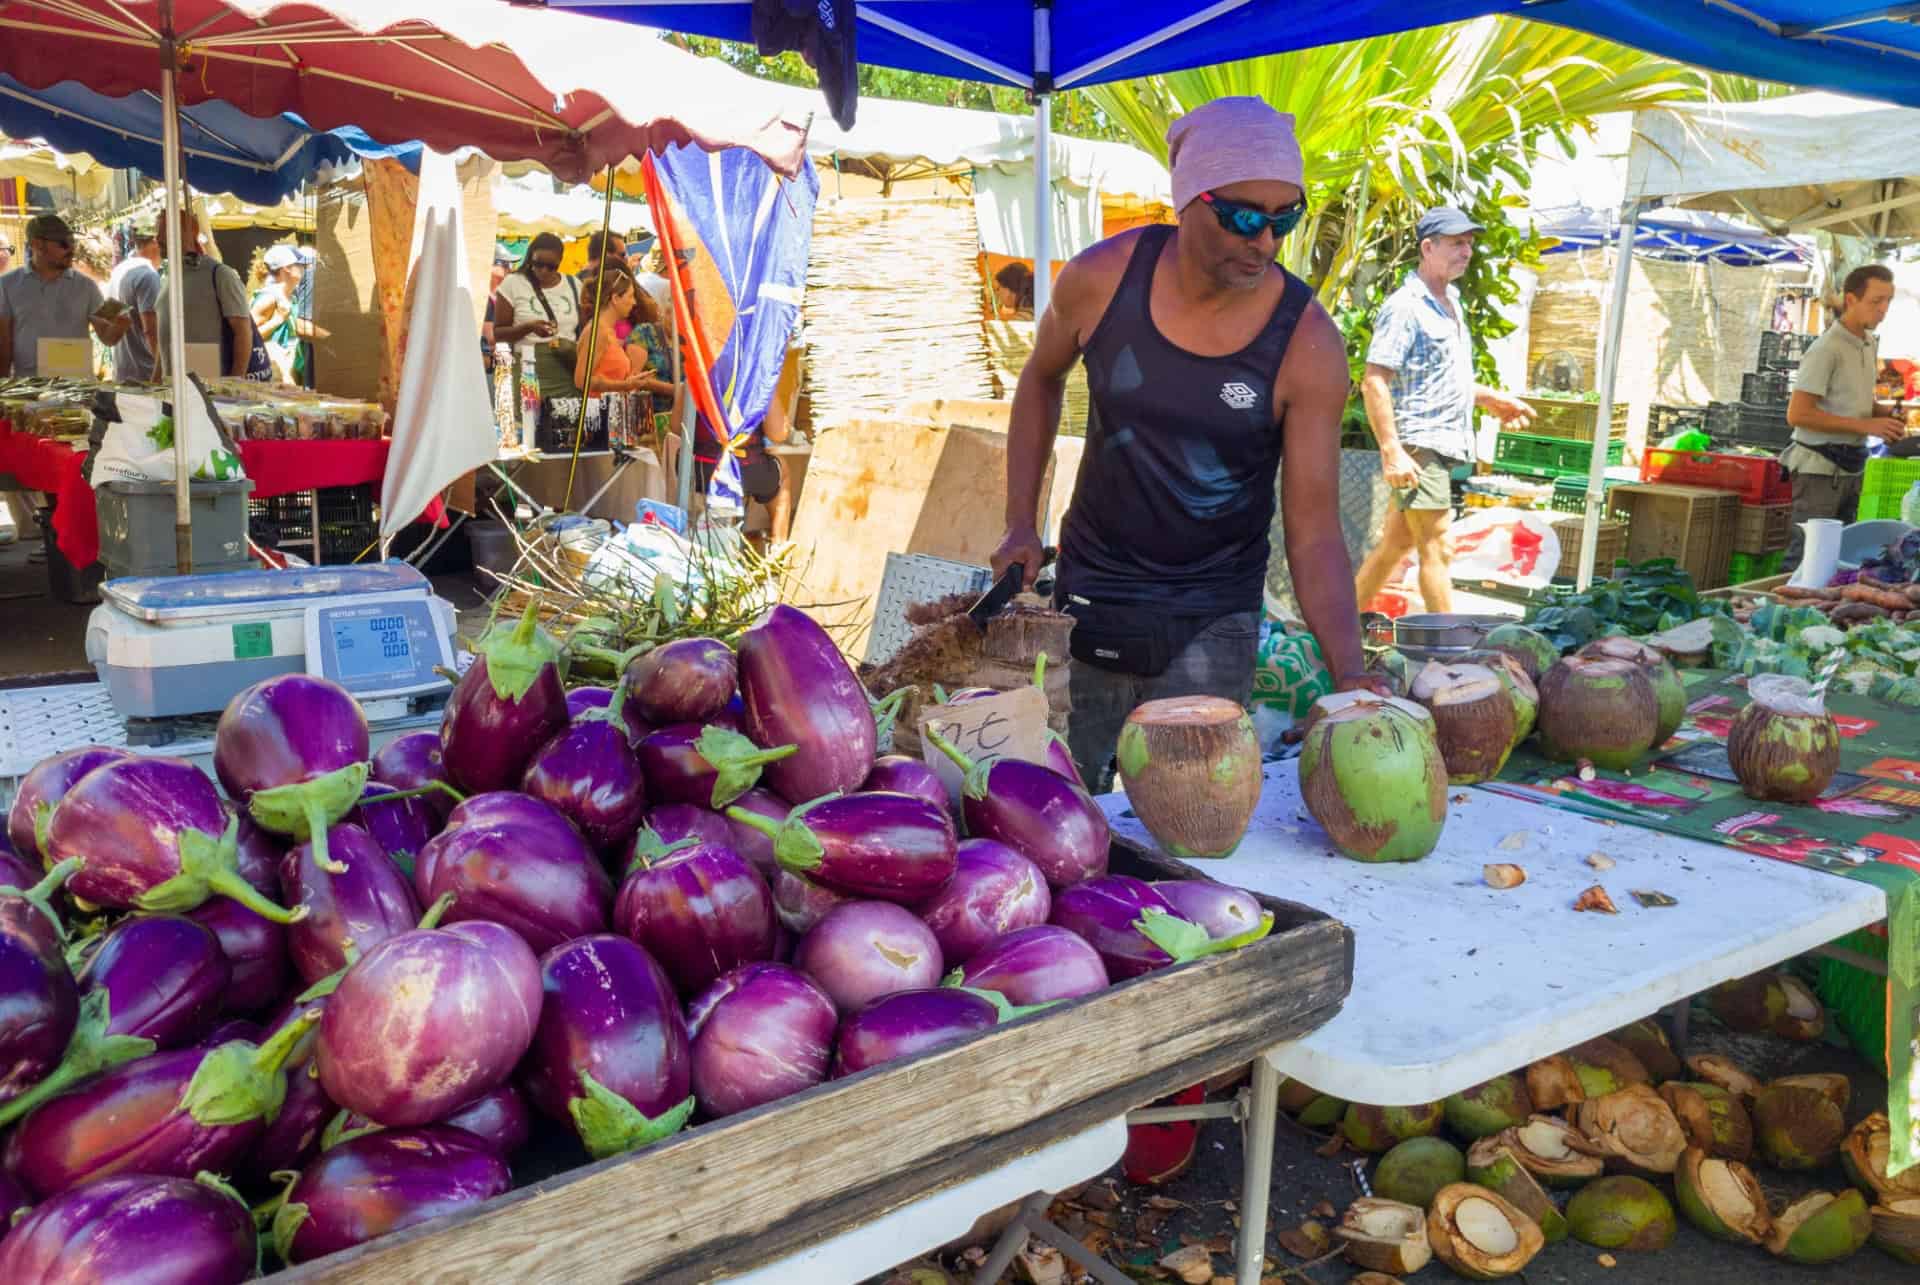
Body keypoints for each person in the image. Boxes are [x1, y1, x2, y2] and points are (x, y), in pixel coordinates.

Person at [990, 96, 1378, 793]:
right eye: (1244, 219)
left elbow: (1315, 530)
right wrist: (1022, 518)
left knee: (1190, 824)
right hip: (1091, 595)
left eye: (1283, 219)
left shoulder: (1306, 343)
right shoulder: (1100, 281)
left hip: (1213, 618)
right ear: (1188, 203)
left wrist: (1349, 674)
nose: (1266, 242)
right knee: (1060, 812)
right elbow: (1040, 379)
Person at [1350, 207, 1535, 615]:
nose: (1466, 251)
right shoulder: (1406, 307)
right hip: (1419, 446)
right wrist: (1391, 450)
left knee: (1395, 546)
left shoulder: (1451, 302)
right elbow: (1374, 380)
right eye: (1456, 243)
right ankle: (1448, 647)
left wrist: (1492, 399)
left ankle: (1334, 628)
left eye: (1469, 243)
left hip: (1440, 442)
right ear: (1428, 247)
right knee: (1439, 547)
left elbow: (1439, 381)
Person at [1783, 263, 1904, 563]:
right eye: (1876, 301)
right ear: (1851, 300)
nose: (1883, 309)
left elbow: (1853, 400)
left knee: (1837, 556)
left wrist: (1882, 414)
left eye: (1888, 301)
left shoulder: (1867, 342)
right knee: (1807, 556)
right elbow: (1798, 414)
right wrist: (1867, 425)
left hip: (1851, 465)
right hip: (1819, 470)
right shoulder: (1827, 348)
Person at [0, 214, 129, 378]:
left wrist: (120, 325)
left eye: (72, 242)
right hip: (30, 391)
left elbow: (107, 338)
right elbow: (4, 345)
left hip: (77, 392)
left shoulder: (87, 286)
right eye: (64, 243)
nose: (72, 249)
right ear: (36, 244)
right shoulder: (7, 285)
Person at [154, 213, 259, 380]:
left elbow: (243, 331)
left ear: (186, 232)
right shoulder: (169, 278)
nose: (157, 238)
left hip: (210, 388)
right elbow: (165, 340)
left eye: (163, 231)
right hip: (174, 389)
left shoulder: (220, 275)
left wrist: (234, 383)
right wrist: (155, 382)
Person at [493, 233, 581, 400]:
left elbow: (585, 331)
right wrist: (528, 328)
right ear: (530, 257)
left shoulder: (573, 284)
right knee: (528, 423)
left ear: (560, 261)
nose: (543, 270)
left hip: (565, 371)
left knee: (566, 423)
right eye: (538, 264)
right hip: (528, 370)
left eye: (551, 266)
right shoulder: (513, 283)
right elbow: (498, 334)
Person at [108, 224, 162, 382]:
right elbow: (151, 331)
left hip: (123, 373)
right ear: (155, 242)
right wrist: (161, 375)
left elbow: (108, 320)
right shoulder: (148, 276)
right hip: (146, 375)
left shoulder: (119, 271)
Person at [251, 244, 305, 384]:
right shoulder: (269, 297)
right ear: (286, 268)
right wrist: (278, 319)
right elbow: (249, 336)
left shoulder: (290, 296)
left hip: (287, 370)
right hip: (274, 373)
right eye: (299, 264)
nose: (303, 268)